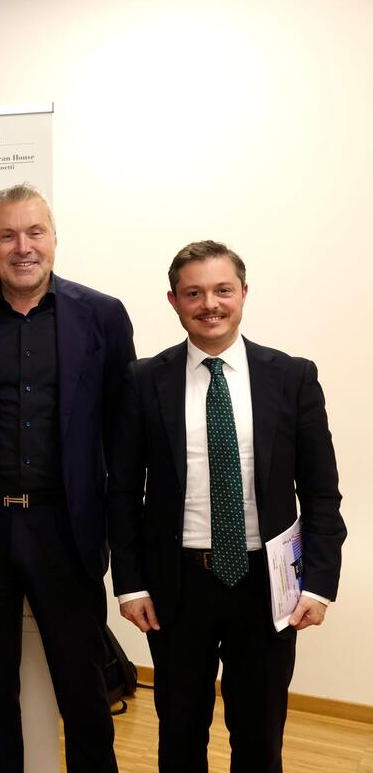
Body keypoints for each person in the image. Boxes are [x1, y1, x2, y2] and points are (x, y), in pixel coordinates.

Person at [108, 240, 345, 771]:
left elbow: (322, 492)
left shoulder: (292, 377)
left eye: (222, 290)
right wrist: (131, 584)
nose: (209, 304)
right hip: (177, 587)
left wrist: (320, 584)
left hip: (267, 587)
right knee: (180, 734)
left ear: (243, 293)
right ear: (173, 300)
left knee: (260, 737)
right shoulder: (144, 381)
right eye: (194, 293)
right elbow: (123, 492)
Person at [0, 183, 133, 772]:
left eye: (34, 232)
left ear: (54, 239)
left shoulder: (103, 317)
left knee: (85, 691)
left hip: (66, 529)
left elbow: (120, 423)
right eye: (7, 235)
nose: (22, 247)